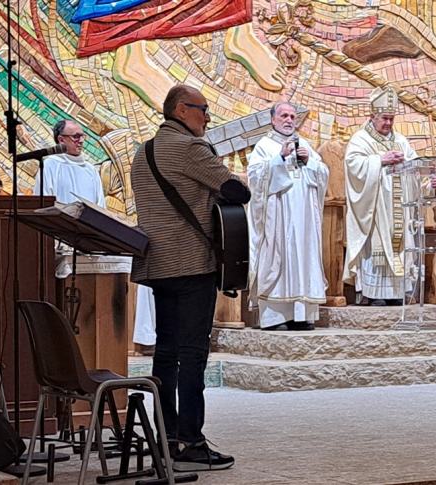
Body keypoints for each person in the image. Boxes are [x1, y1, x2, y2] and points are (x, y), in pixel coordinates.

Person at [131, 84, 249, 472]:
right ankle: (192, 441)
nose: (207, 118)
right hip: (191, 264)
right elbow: (236, 190)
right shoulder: (189, 148)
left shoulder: (143, 151)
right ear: (182, 110)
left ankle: (165, 436)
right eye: (203, 110)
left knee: (164, 352)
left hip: (157, 265)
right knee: (192, 354)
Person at [247, 102, 329, 330]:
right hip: (278, 217)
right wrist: (279, 160)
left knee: (303, 258)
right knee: (279, 258)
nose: (289, 120)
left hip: (304, 219)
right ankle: (275, 317)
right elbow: (255, 177)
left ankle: (301, 315)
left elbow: (323, 174)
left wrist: (309, 162)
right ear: (273, 119)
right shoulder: (264, 146)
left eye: (292, 116)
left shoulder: (306, 146)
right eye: (284, 115)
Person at [343, 86, 418, 306]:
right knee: (377, 248)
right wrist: (380, 160)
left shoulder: (402, 141)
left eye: (391, 119)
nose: (388, 123)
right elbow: (353, 165)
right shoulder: (361, 139)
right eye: (384, 118)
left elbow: (414, 166)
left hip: (398, 209)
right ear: (372, 116)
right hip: (375, 209)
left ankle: (396, 293)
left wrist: (417, 172)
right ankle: (374, 293)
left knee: (398, 247)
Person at [34, 119, 105, 206]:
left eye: (82, 136)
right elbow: (42, 204)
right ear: (61, 140)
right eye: (76, 136)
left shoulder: (91, 170)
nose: (81, 140)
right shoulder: (49, 166)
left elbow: (101, 206)